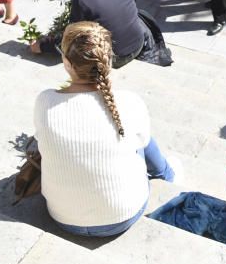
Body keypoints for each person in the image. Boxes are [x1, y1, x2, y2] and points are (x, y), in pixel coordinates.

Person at [34, 21, 177, 237]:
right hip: (123, 214)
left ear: (65, 62)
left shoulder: (44, 101)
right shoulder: (129, 102)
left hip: (62, 217)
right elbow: (147, 151)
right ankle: (170, 178)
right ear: (108, 60)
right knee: (141, 145)